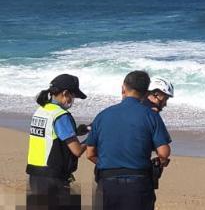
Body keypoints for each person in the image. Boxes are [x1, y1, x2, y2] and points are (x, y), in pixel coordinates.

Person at [85, 71, 172, 210]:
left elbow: (90, 154)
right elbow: (164, 152)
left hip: (107, 182)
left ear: (123, 88)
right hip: (138, 182)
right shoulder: (152, 115)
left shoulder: (102, 115)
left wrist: (110, 163)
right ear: (145, 93)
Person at [25, 74, 89, 210]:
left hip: (35, 175)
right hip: (53, 179)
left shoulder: (41, 111)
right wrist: (92, 138)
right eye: (73, 96)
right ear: (65, 93)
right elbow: (77, 150)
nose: (73, 100)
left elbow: (50, 136)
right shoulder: (61, 115)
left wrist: (76, 132)